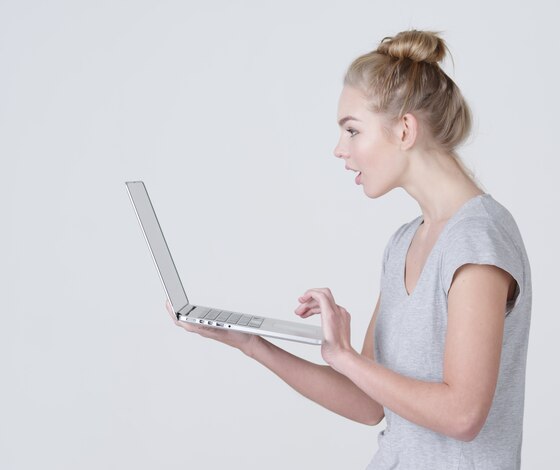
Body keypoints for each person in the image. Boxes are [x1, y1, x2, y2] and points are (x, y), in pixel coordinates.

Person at [166, 29, 532, 470]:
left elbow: (463, 415)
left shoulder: (478, 240)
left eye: (352, 131)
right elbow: (368, 402)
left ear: (404, 129)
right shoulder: (403, 243)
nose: (340, 149)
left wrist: (344, 356)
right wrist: (252, 343)